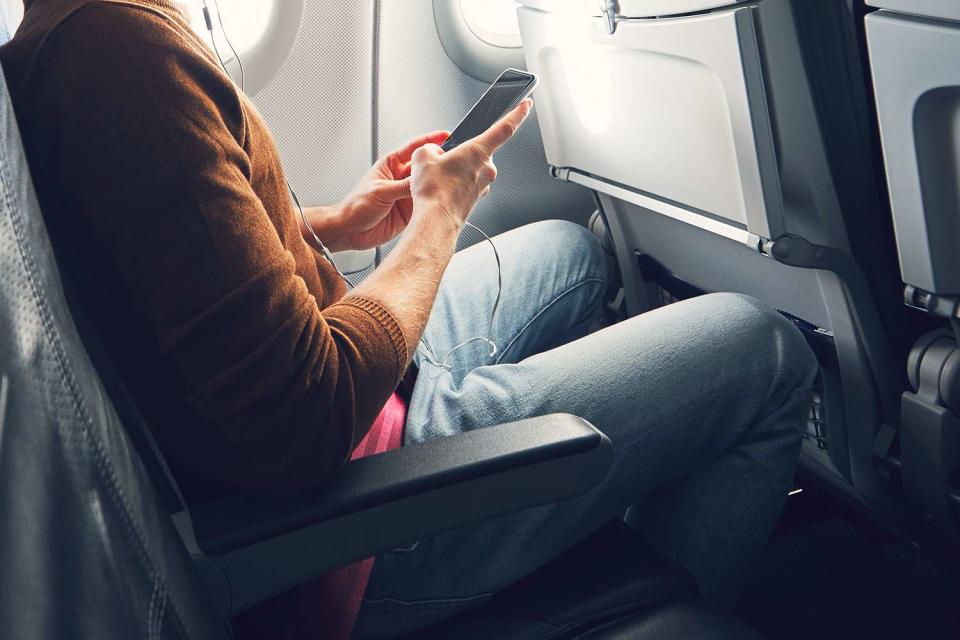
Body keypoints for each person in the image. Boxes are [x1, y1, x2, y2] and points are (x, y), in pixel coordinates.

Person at [1, 0, 818, 637]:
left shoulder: (80, 33)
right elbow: (303, 415)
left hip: (348, 392)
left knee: (571, 254)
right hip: (349, 519)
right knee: (765, 350)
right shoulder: (120, 57)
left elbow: (165, 251)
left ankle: (569, 513)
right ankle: (660, 616)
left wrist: (324, 224)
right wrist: (437, 218)